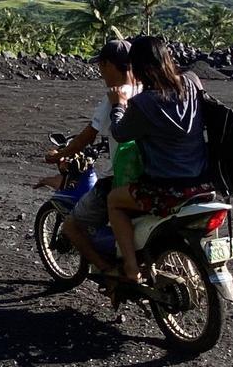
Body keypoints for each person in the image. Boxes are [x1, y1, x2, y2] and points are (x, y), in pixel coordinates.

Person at [107, 36, 211, 283]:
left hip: (166, 189)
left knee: (113, 201)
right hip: (204, 183)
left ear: (139, 68)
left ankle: (131, 268)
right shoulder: (192, 82)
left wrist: (118, 106)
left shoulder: (144, 103)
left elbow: (120, 133)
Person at [42, 39, 142, 278]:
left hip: (126, 179)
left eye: (101, 66)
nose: (100, 72)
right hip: (154, 172)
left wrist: (60, 155)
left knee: (72, 226)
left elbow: (88, 135)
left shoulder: (115, 95)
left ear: (109, 65)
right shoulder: (146, 89)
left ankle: (109, 272)